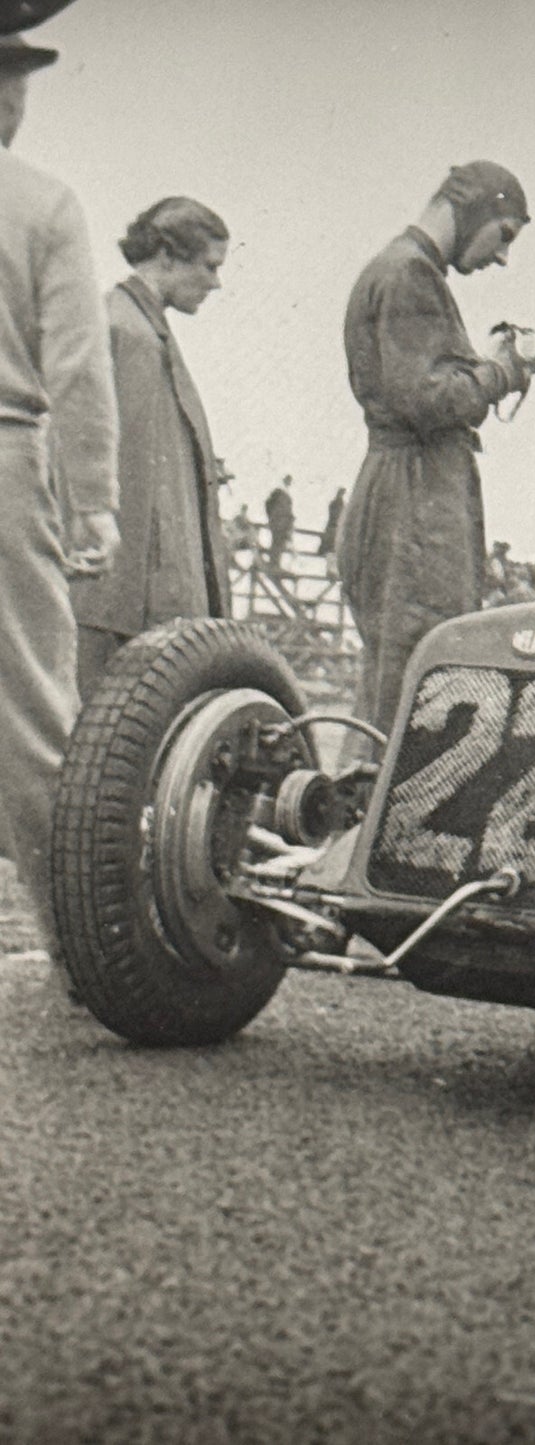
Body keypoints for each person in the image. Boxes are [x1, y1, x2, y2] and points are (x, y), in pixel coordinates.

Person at [337, 160, 535, 735]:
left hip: (403, 490)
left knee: (396, 684)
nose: (501, 257)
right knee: (417, 684)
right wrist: (504, 370)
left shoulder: (399, 269)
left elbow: (419, 386)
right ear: (473, 210)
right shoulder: (411, 274)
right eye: (503, 236)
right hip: (415, 503)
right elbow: (429, 402)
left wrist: (484, 367)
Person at [0, 31, 118, 911]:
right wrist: (95, 507)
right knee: (37, 716)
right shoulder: (40, 203)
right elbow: (78, 366)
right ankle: (78, 942)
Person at [70, 197, 233, 698]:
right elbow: (119, 474)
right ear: (166, 254)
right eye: (209, 265)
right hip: (115, 601)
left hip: (118, 597)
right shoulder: (129, 333)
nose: (215, 282)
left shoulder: (137, 328)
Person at [264, 474, 295, 574]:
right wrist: (272, 517)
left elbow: (288, 510)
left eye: (290, 481)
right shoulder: (279, 492)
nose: (289, 482)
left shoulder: (286, 494)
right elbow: (268, 504)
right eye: (287, 480)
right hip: (278, 522)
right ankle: (273, 565)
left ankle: (275, 564)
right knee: (277, 543)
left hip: (283, 523)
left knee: (280, 543)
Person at [318, 485, 345, 576]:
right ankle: (331, 571)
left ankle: (332, 571)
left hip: (333, 529)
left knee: (332, 551)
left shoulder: (336, 504)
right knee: (331, 550)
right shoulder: (337, 504)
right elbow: (336, 516)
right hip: (333, 529)